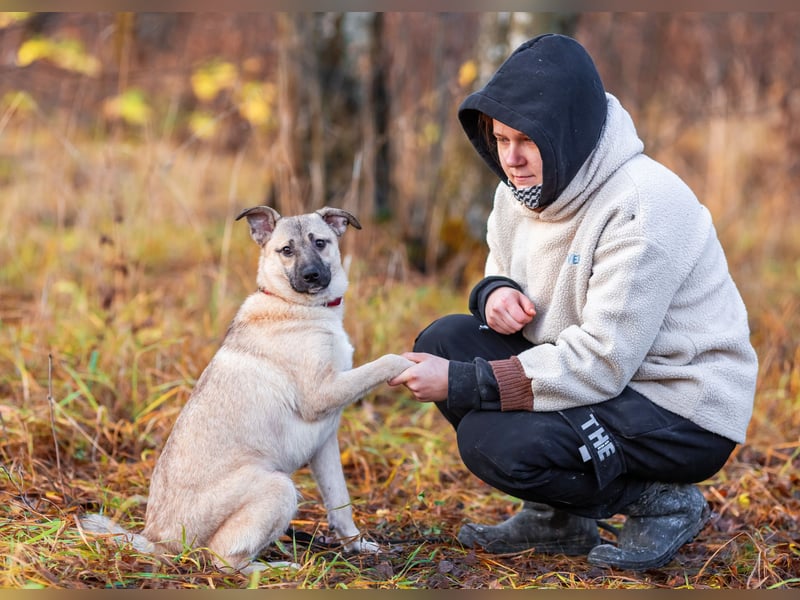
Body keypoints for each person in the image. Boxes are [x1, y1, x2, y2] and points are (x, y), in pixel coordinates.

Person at [388, 33, 758, 571]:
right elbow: (503, 265)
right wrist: (495, 294)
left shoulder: (642, 205)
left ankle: (662, 503)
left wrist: (467, 382)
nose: (511, 158)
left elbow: (603, 360)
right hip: (592, 374)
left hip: (675, 402)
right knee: (444, 341)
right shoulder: (523, 187)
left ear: (568, 133)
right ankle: (558, 519)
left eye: (526, 140)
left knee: (493, 441)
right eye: (500, 139)